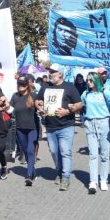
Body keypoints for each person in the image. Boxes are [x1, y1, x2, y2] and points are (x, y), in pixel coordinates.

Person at [36, 63, 82, 191]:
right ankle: (59, 171)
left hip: (66, 125)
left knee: (65, 152)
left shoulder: (70, 87)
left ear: (60, 74)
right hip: (50, 126)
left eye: (53, 72)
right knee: (54, 152)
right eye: (49, 72)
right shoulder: (45, 86)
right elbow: (37, 101)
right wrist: (40, 108)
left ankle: (65, 177)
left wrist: (67, 111)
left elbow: (79, 104)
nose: (50, 74)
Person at [81, 72, 110, 193]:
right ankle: (93, 181)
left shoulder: (104, 92)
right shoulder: (85, 94)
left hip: (103, 123)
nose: (88, 82)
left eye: (91, 80)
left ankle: (104, 179)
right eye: (87, 80)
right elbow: (81, 104)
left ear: (96, 80)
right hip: (90, 124)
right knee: (93, 154)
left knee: (105, 154)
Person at [9, 75, 39, 186]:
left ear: (27, 85)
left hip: (33, 128)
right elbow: (9, 109)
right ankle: (33, 172)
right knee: (26, 151)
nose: (20, 86)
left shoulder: (33, 96)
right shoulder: (15, 96)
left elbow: (40, 107)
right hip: (20, 129)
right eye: (19, 84)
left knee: (31, 150)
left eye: (23, 84)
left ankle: (29, 175)